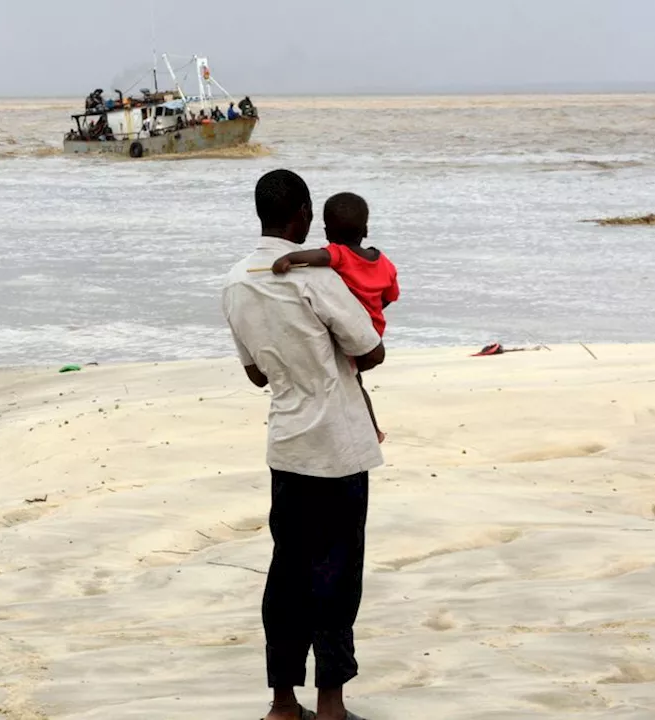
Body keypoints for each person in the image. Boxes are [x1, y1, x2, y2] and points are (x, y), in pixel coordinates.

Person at [222, 169, 384, 720]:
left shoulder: (235, 282)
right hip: (338, 446)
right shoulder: (318, 279)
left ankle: (283, 703)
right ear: (304, 216)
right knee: (337, 576)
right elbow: (370, 349)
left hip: (287, 446)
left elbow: (256, 377)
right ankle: (332, 705)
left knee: (288, 573)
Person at [271, 193, 398, 444]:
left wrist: (288, 259)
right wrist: (373, 310)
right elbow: (390, 296)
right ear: (367, 229)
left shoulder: (339, 254)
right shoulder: (384, 263)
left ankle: (371, 431)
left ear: (327, 231)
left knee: (351, 380)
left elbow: (319, 257)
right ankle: (372, 429)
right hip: (373, 330)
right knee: (354, 380)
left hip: (349, 333)